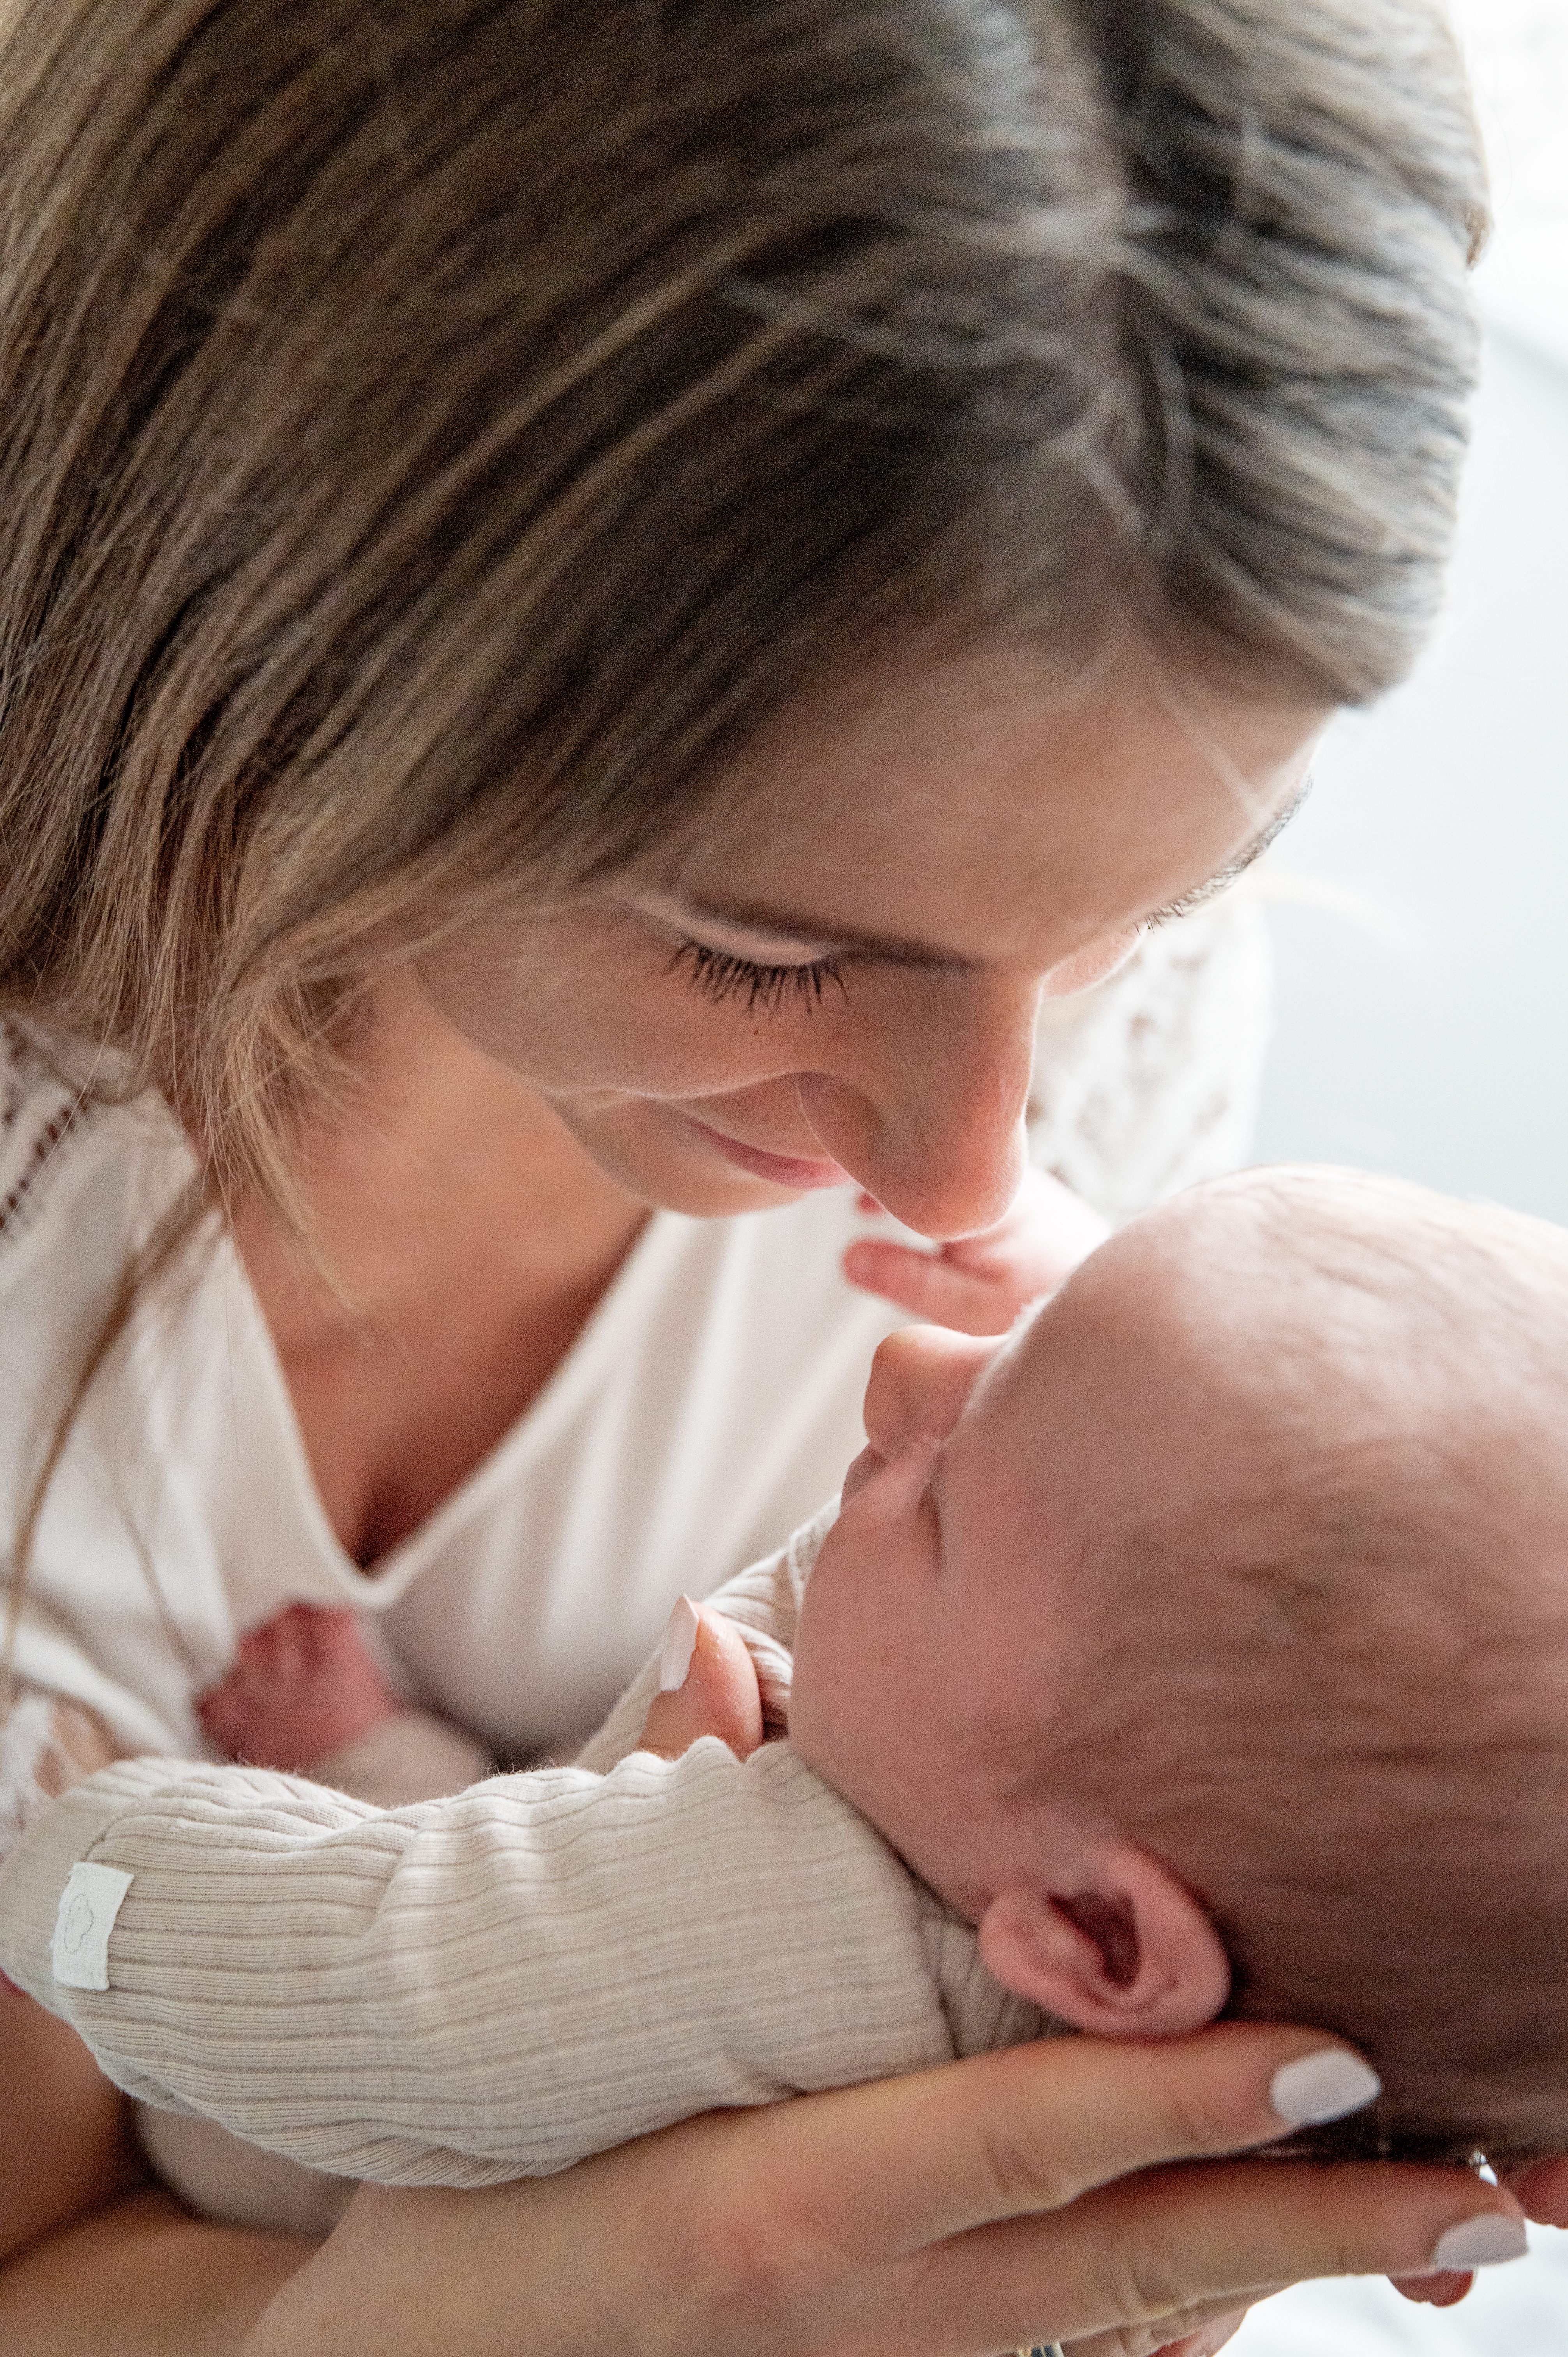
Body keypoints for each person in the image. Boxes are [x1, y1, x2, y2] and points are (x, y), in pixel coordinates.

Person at [0, 2, 1551, 2351]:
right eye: (763, 952)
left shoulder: (1103, 1051)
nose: (968, 1187)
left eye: (1167, 892)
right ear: (288, 641)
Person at [8, 1161, 1566, 2255]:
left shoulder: (775, 1925)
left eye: (954, 1492)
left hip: (291, 2142)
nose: (903, 1369)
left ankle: (354, 1759)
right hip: (511, 1947)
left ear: (1095, 1940)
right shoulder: (1200, 1977)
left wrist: (71, 1868)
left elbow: (373, 1972)